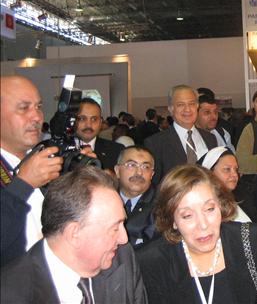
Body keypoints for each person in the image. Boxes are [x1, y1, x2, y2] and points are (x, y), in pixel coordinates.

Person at [137, 165, 257, 304]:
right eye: (187, 216)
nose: (203, 225)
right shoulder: (153, 262)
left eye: (209, 209)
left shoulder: (251, 241)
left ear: (221, 206)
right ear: (172, 220)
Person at [0, 166, 147, 303]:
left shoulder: (122, 257)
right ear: (74, 233)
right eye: (115, 228)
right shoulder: (11, 295)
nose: (124, 238)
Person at [0, 76, 64, 266]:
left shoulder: (44, 159)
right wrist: (23, 186)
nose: (37, 117)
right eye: (24, 108)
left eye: (38, 107)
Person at [145, 85, 217, 185]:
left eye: (191, 104)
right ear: (171, 109)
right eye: (180, 105)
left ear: (197, 106)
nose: (187, 109)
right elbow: (153, 184)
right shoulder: (156, 143)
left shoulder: (210, 138)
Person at [199, 146, 255, 222]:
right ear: (210, 173)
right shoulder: (208, 207)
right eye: (227, 169)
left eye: (236, 169)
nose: (235, 174)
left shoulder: (243, 198)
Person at [115, 146, 157, 246]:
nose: (139, 172)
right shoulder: (104, 199)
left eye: (145, 167)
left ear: (152, 174)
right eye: (131, 165)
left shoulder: (162, 204)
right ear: (117, 170)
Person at [75, 98, 123, 170]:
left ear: (101, 122)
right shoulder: (59, 151)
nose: (88, 125)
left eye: (94, 119)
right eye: (82, 119)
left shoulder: (117, 150)